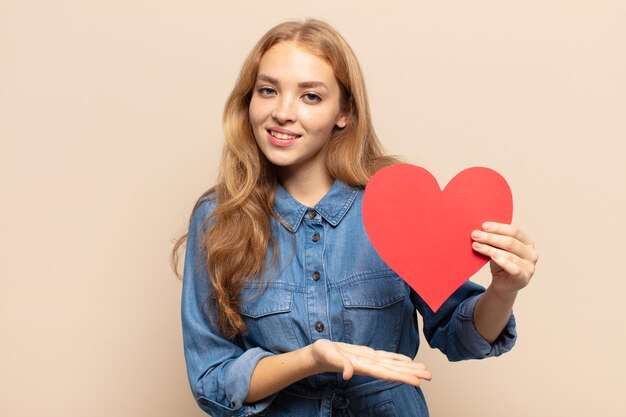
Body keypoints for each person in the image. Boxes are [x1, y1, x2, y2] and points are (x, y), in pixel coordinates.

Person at [172, 18, 538, 417]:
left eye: (310, 96)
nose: (281, 112)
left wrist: (504, 290)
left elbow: (461, 336)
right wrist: (312, 358)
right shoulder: (217, 219)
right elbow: (211, 380)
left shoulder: (396, 204)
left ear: (343, 111)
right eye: (268, 90)